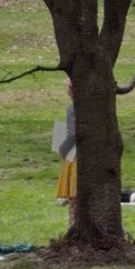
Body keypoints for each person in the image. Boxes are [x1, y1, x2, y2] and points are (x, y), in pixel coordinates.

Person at [56, 78, 78, 224]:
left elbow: (72, 134)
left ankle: (74, 226)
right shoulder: (98, 106)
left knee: (75, 195)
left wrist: (62, 149)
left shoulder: (73, 108)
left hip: (76, 157)